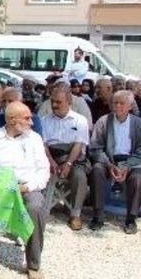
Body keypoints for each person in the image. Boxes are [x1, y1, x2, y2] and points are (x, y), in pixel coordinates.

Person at [0, 101, 50, 279]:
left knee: (35, 207)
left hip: (26, 186)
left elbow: (43, 170)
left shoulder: (34, 138)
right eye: (26, 119)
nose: (31, 122)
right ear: (11, 120)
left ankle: (33, 264)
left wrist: (27, 187)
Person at [87, 90, 141, 234]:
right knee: (96, 170)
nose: (118, 106)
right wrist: (109, 164)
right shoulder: (103, 121)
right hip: (108, 159)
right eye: (115, 103)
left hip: (132, 161)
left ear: (130, 106)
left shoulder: (139, 124)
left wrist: (126, 166)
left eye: (122, 103)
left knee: (138, 178)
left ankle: (131, 218)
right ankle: (98, 215)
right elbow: (95, 148)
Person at [41, 87, 90, 231]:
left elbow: (79, 145)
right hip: (51, 156)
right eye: (52, 102)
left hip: (73, 157)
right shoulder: (44, 120)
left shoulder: (80, 120)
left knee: (79, 176)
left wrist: (68, 163)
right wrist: (51, 162)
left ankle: (75, 214)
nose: (54, 105)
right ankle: (39, 210)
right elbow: (42, 145)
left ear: (69, 102)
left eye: (58, 102)